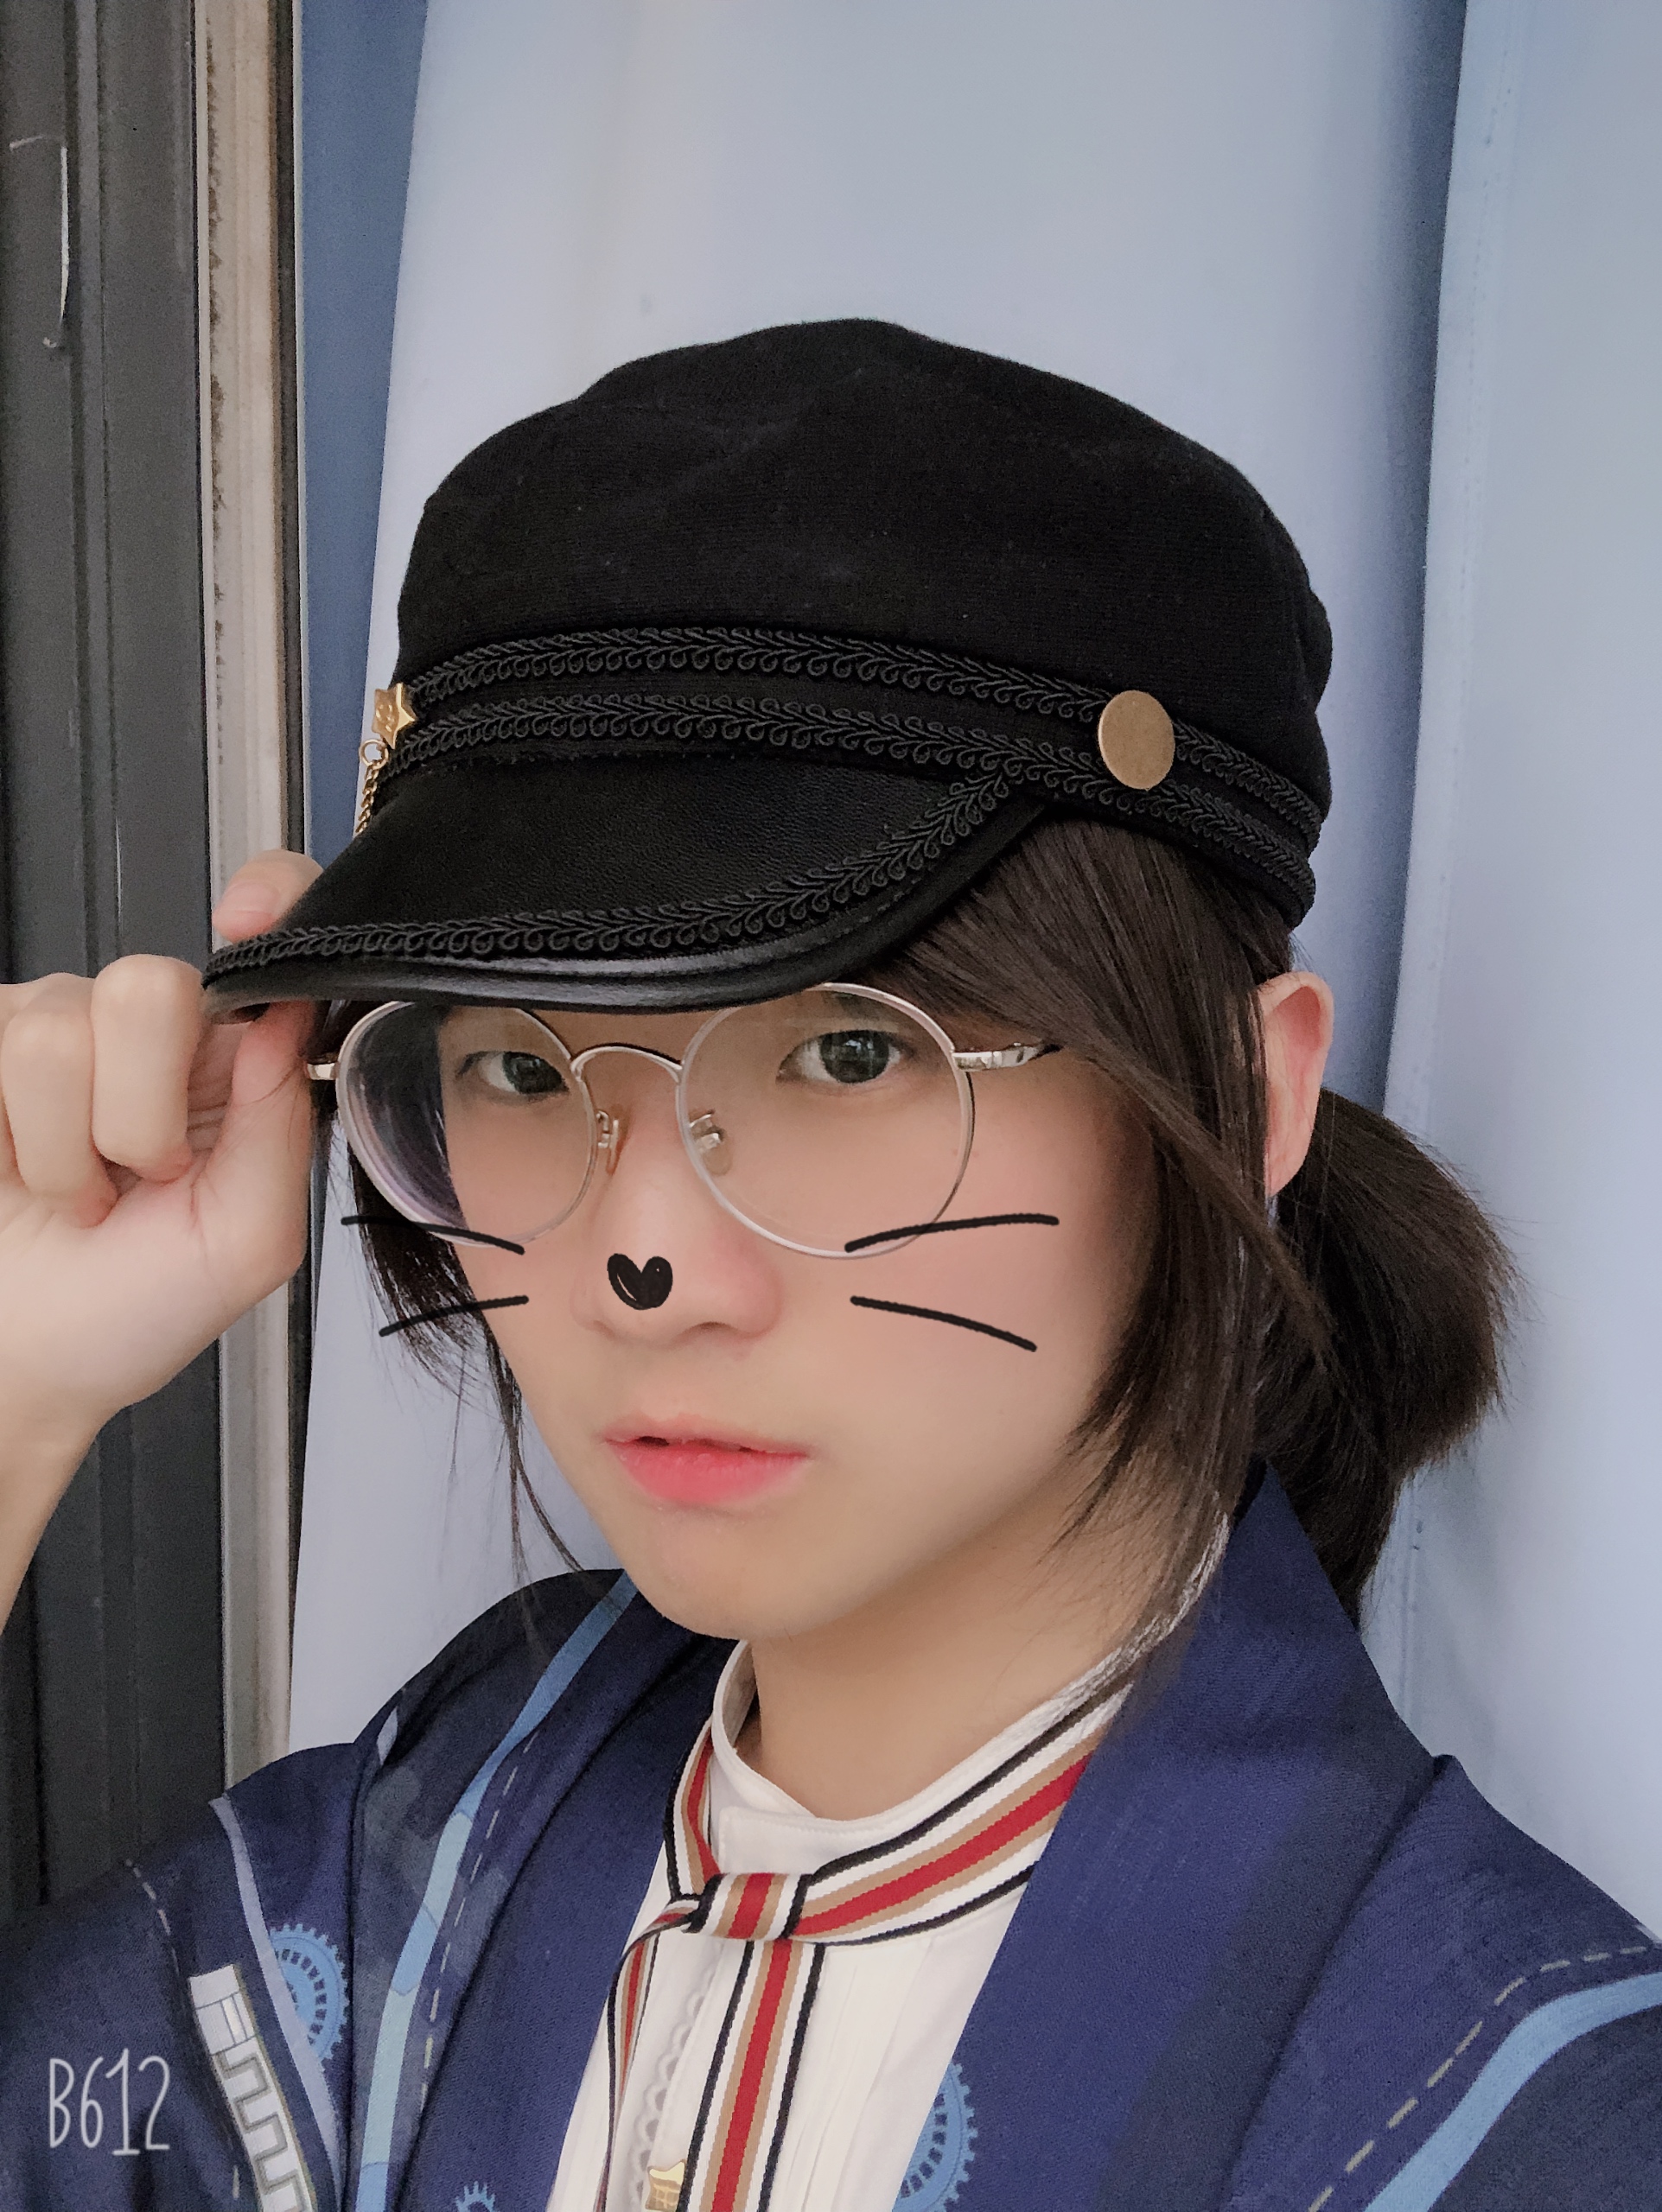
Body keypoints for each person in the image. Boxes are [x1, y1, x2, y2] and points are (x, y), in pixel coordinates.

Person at [0, 321, 1654, 2212]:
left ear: (1243, 1089)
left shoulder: (1517, 2116)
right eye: (521, 1067)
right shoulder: (405, 1882)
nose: (643, 1261)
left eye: (852, 1052)